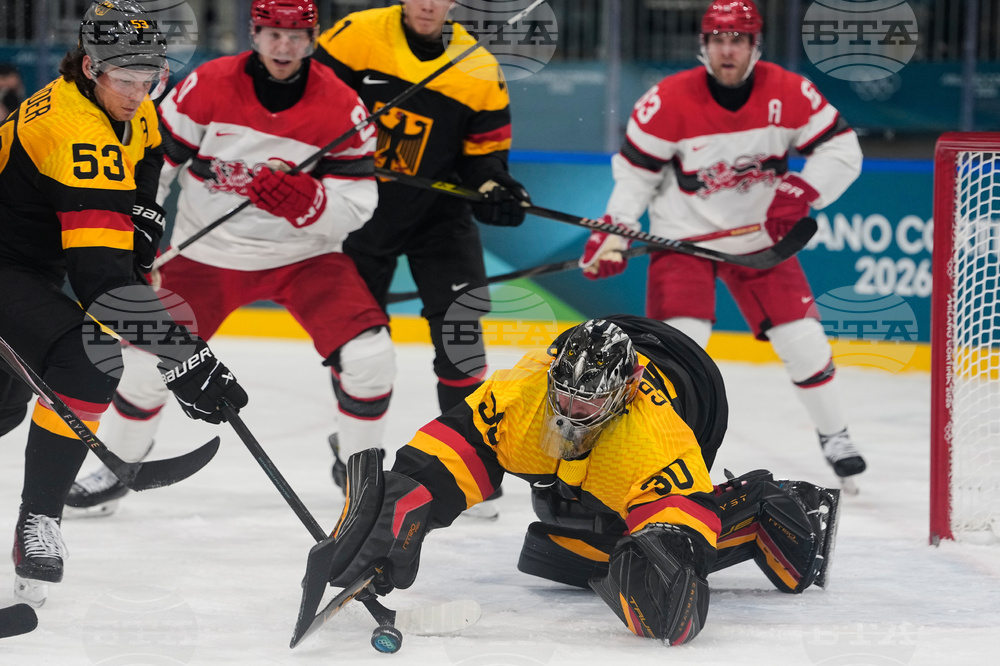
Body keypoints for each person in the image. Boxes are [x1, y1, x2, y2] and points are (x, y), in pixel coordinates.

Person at [319, 316, 841, 645]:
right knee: (552, 544)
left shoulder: (658, 441)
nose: (569, 411)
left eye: (587, 400)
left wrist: (671, 552)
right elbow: (444, 455)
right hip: (618, 375)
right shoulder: (521, 392)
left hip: (693, 393)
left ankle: (759, 506)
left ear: (624, 392)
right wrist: (405, 502)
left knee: (647, 581)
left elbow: (681, 547)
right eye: (564, 394)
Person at [63, 0, 394, 517]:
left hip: (306, 257)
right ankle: (121, 463)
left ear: (313, 38)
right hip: (206, 254)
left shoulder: (342, 105)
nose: (283, 47)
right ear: (255, 33)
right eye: (272, 33)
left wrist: (312, 203)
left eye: (295, 35)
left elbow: (361, 203)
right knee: (146, 362)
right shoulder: (208, 85)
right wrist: (138, 235)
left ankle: (361, 474)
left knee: (371, 358)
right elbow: (156, 163)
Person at [0, 0, 248, 607]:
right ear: (90, 67)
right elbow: (104, 286)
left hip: (33, 267)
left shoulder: (133, 111)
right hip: (11, 266)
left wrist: (140, 230)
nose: (140, 93)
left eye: (151, 78)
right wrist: (184, 355)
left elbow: (144, 177)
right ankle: (41, 522)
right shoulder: (72, 129)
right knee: (89, 355)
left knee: (2, 412)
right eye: (126, 79)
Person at [578, 0, 866, 488]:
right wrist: (614, 233)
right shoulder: (667, 100)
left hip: (760, 241)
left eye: (738, 39)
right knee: (680, 350)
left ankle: (835, 435)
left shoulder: (789, 91)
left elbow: (842, 149)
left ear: (755, 47)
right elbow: (634, 179)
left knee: (804, 342)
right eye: (717, 39)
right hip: (684, 241)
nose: (726, 50)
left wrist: (800, 191)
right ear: (702, 46)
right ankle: (662, 452)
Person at [312, 1, 532, 511]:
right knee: (356, 339)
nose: (429, 3)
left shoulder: (478, 67)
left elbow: (485, 158)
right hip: (360, 208)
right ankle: (354, 448)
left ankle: (466, 464)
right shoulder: (355, 36)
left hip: (440, 213)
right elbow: (312, 107)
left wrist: (496, 187)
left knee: (461, 333)